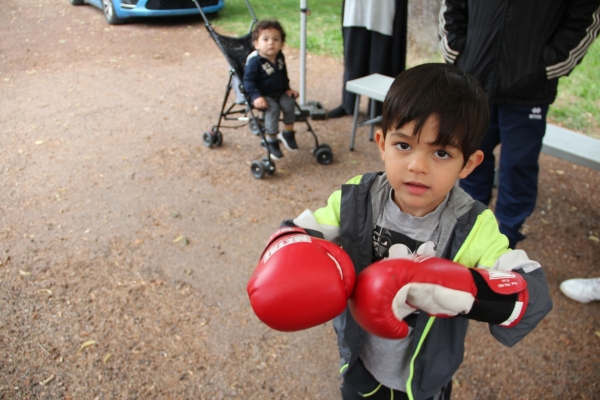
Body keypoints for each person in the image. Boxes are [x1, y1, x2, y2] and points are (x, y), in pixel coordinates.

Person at [247, 64, 553, 400]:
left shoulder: (473, 225)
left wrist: (465, 288)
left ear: (468, 164)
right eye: (403, 145)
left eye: (441, 153)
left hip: (423, 380)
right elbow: (301, 232)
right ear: (381, 142)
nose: (417, 166)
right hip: (360, 361)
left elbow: (531, 292)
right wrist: (287, 250)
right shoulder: (357, 197)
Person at [439, 0, 600, 249]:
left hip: (530, 92)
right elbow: (453, 7)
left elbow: (585, 16)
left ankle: (506, 241)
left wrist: (545, 64)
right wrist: (460, 53)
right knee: (469, 161)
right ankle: (466, 230)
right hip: (475, 83)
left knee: (518, 167)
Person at [327, 0, 407, 118]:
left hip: (383, 8)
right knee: (353, 60)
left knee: (381, 62)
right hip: (357, 8)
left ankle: (378, 112)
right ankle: (348, 104)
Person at [243, 20, 299, 160]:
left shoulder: (279, 57)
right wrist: (256, 96)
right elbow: (248, 82)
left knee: (289, 103)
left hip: (280, 92)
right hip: (263, 95)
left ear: (282, 44)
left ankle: (288, 133)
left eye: (276, 39)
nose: (271, 43)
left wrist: (287, 88)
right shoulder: (255, 62)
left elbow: (283, 75)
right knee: (272, 109)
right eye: (265, 39)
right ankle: (271, 140)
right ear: (257, 44)